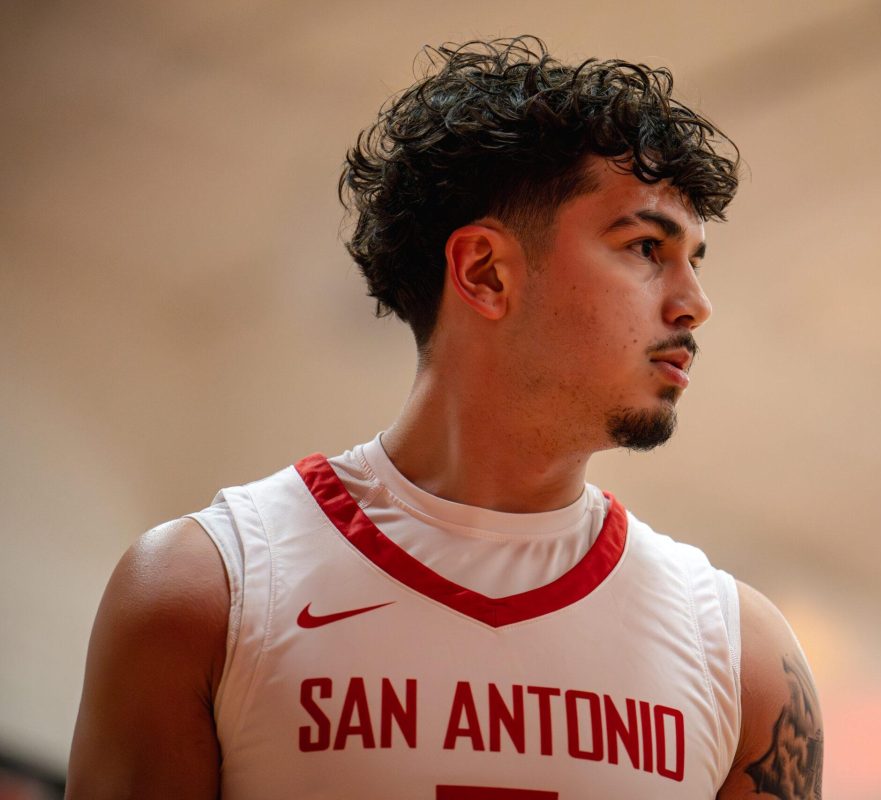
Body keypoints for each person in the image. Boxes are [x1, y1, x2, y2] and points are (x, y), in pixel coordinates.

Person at [66, 37, 823, 799]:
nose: (694, 301)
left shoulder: (743, 659)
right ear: (485, 272)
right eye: (646, 246)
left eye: (695, 258)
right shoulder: (204, 591)